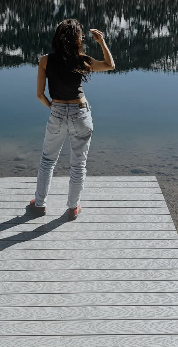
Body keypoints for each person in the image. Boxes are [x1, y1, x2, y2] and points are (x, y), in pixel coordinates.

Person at [25, 19, 115, 219]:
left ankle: (39, 205)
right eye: (81, 35)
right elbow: (110, 65)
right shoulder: (81, 60)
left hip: (57, 111)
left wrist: (55, 108)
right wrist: (101, 42)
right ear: (77, 39)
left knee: (47, 160)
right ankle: (73, 207)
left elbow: (40, 95)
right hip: (80, 112)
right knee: (78, 164)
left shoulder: (45, 60)